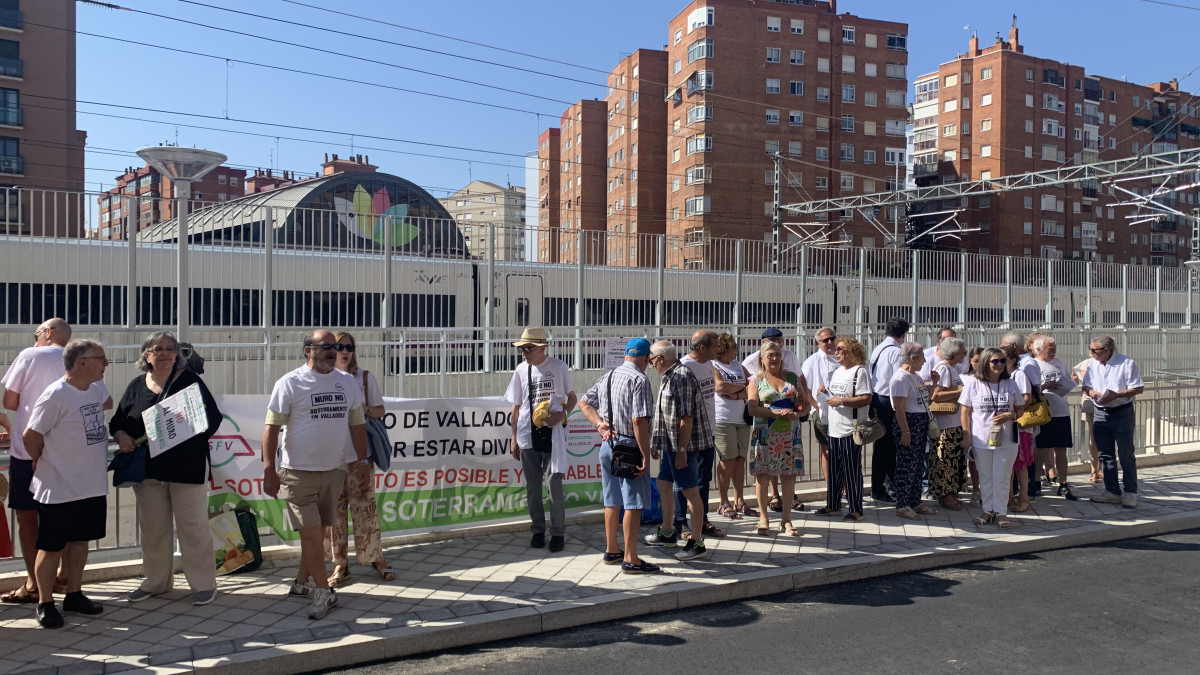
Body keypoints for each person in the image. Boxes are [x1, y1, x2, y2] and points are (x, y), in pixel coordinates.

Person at [109, 332, 222, 606]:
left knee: (193, 526)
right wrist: (122, 436)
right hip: (148, 469)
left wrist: (181, 432)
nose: (165, 354)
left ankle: (204, 584)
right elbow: (117, 422)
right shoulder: (137, 385)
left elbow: (213, 419)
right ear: (146, 355)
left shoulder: (190, 382)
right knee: (153, 529)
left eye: (170, 349)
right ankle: (156, 582)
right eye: (157, 349)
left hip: (187, 465)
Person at [263, 330, 370, 620]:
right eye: (327, 347)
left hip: (334, 470)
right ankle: (323, 592)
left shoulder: (347, 382)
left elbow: (357, 424)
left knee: (319, 532)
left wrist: (361, 461)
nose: (334, 351)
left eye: (337, 347)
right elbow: (271, 429)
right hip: (297, 472)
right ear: (308, 350)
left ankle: (301, 583)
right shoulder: (290, 383)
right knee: (310, 535)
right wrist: (269, 470)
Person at [22, 339, 113, 628]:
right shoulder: (55, 395)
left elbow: (106, 403)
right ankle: (45, 601)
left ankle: (74, 593)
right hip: (59, 486)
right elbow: (31, 435)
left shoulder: (97, 388)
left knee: (80, 542)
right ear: (82, 362)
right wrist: (41, 459)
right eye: (101, 358)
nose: (106, 364)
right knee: (51, 547)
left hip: (92, 484)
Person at [1, 318, 72, 605]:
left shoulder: (30, 355)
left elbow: (10, 401)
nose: (34, 339)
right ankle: (66, 577)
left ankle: (33, 583)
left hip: (27, 449)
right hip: (66, 450)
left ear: (48, 333)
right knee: (65, 517)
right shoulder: (81, 356)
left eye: (36, 334)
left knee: (27, 516)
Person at [577, 338, 658, 574]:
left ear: (626, 355)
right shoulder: (640, 380)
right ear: (645, 358)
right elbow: (638, 421)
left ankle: (612, 549)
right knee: (633, 503)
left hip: (607, 446)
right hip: (630, 446)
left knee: (612, 499)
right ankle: (631, 557)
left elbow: (584, 403)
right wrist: (644, 453)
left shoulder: (609, 376)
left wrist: (600, 424)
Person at [328, 331, 395, 585]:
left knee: (366, 510)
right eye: (339, 346)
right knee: (335, 514)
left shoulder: (364, 378)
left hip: (360, 456)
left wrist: (362, 408)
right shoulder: (323, 379)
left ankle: (376, 557)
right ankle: (340, 565)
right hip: (332, 459)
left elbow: (380, 410)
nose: (345, 351)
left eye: (349, 347)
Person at [504, 327, 577, 553]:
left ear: (542, 347)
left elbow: (572, 398)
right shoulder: (520, 370)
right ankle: (537, 530)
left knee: (554, 484)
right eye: (522, 349)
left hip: (554, 435)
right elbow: (516, 406)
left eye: (527, 348)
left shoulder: (558, 367)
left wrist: (562, 414)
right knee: (533, 488)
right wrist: (514, 436)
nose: (523, 353)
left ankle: (557, 533)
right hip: (528, 434)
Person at [644, 341, 709, 560]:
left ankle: (697, 542)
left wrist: (681, 449)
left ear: (660, 359)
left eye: (651, 358)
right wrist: (657, 442)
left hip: (682, 446)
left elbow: (686, 417)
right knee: (663, 483)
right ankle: (668, 531)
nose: (649, 363)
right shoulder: (670, 376)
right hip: (669, 445)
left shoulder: (680, 377)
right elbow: (665, 415)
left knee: (690, 491)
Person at [745, 342, 808, 536]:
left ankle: (786, 520)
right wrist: (776, 412)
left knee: (788, 477)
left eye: (777, 354)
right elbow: (752, 408)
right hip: (765, 434)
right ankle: (764, 518)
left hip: (790, 434)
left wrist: (798, 413)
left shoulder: (792, 378)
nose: (774, 358)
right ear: (762, 359)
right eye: (770, 355)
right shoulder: (755, 380)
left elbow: (804, 404)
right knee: (762, 476)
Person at [959, 347, 1026, 529]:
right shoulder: (974, 383)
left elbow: (1021, 409)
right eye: (995, 361)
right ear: (985, 363)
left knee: (1002, 476)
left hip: (1007, 438)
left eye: (1002, 361)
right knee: (985, 476)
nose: (999, 365)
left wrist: (1010, 415)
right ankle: (988, 509)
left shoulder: (1010, 383)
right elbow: (965, 411)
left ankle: (1001, 512)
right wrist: (967, 435)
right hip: (981, 438)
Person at [814, 337, 872, 523]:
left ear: (852, 351)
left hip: (850, 429)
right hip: (834, 427)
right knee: (835, 469)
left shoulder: (860, 371)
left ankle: (856, 509)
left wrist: (840, 401)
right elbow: (836, 396)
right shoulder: (838, 371)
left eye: (840, 349)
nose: (836, 352)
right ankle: (833, 504)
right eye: (836, 349)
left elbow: (866, 397)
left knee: (851, 470)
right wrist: (826, 393)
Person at [1083, 335, 1144, 508]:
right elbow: (1086, 386)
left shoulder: (1126, 363)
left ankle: (1130, 492)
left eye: (1094, 350)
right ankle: (1112, 491)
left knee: (1126, 454)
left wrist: (1117, 395)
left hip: (1121, 412)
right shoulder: (1092, 365)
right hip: (1100, 412)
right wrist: (1093, 393)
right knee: (1105, 455)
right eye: (1091, 349)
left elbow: (1138, 387)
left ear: (1107, 350)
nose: (1091, 353)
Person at [672, 330, 723, 539]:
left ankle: (701, 521)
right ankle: (680, 521)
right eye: (714, 346)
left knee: (703, 479)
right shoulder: (683, 368)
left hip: (708, 431)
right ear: (703, 348)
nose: (718, 350)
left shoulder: (709, 364)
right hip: (690, 436)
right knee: (685, 481)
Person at [889, 342, 936, 520]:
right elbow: (899, 408)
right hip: (909, 422)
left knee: (917, 465)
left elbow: (924, 400)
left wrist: (934, 385)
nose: (925, 361)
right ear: (913, 358)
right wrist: (905, 431)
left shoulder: (914, 376)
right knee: (906, 465)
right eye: (922, 357)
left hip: (920, 421)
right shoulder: (900, 378)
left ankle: (915, 500)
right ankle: (903, 504)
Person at [712, 333, 754, 519]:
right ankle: (723, 502)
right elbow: (720, 387)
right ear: (723, 348)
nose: (736, 350)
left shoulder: (738, 365)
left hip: (742, 418)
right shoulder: (713, 365)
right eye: (733, 346)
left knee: (739, 459)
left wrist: (737, 394)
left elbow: (752, 384)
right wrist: (742, 389)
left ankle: (739, 500)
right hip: (723, 418)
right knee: (726, 460)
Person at [1031, 336, 1078, 501]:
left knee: (1061, 449)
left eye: (1054, 347)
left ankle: (1063, 484)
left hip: (1061, 411)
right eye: (1050, 348)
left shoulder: (1058, 362)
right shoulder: (1033, 365)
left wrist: (1071, 381)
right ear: (1039, 349)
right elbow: (1030, 390)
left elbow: (1065, 379)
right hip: (1044, 413)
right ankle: (1036, 483)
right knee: (1041, 449)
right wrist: (1045, 386)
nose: (1053, 351)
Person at [868, 317, 909, 502]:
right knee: (888, 448)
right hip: (888, 401)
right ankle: (883, 488)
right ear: (903, 334)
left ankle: (883, 486)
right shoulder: (896, 352)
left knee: (881, 446)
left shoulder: (879, 348)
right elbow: (899, 379)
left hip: (877, 398)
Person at [928, 337, 968, 511]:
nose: (965, 355)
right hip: (946, 424)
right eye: (963, 352)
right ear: (955, 353)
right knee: (945, 460)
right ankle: (945, 495)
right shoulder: (944, 369)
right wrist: (961, 392)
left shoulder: (953, 369)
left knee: (954, 460)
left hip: (954, 422)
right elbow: (936, 395)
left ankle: (951, 492)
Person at [801, 327, 840, 489]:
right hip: (823, 412)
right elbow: (805, 386)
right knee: (828, 450)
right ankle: (831, 485)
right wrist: (815, 406)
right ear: (818, 343)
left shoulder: (841, 357)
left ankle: (843, 484)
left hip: (842, 411)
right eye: (826, 340)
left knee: (842, 450)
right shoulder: (813, 361)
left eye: (832, 338)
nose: (830, 342)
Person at [1002, 343, 1037, 513]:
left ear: (1013, 360)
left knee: (1020, 465)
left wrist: (1011, 405)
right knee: (1008, 464)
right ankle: (1008, 497)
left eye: (1003, 359)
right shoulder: (1002, 377)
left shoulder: (1019, 374)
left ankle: (1024, 498)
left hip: (1020, 427)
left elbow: (1027, 398)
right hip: (1006, 427)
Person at [1072, 358, 1103, 483]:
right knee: (1093, 437)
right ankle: (1094, 469)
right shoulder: (1088, 363)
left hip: (1106, 402)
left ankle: (1101, 469)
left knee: (1104, 438)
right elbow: (1086, 383)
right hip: (1091, 401)